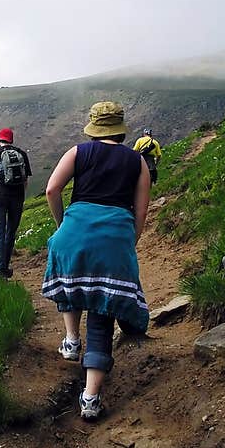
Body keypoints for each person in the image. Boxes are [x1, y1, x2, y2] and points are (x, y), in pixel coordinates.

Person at [42, 101, 151, 420]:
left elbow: (52, 189)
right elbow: (141, 210)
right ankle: (90, 398)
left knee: (72, 285)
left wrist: (63, 225)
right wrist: (130, 241)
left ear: (93, 128)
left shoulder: (77, 152)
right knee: (103, 312)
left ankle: (72, 339)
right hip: (114, 241)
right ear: (120, 129)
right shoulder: (138, 162)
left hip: (72, 234)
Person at [0, 127, 32, 278]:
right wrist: (21, 196)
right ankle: (5, 266)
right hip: (17, 198)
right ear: (12, 139)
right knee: (11, 232)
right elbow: (25, 180)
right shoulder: (21, 154)